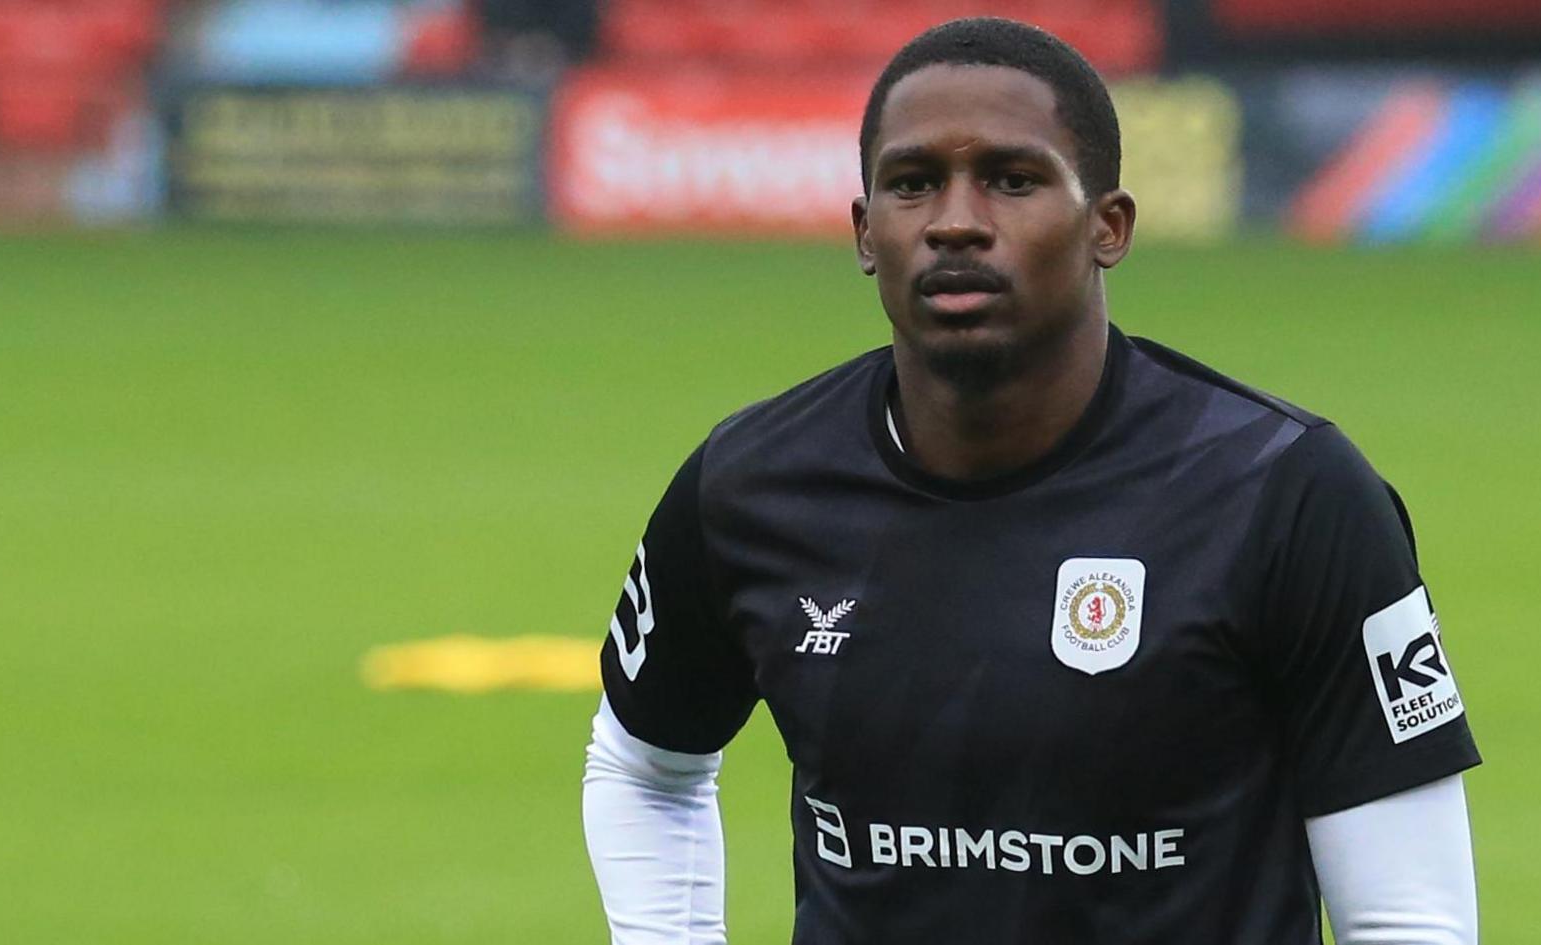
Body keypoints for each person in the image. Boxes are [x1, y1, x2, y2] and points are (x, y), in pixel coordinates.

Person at [583, 16, 1480, 945]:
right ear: (863, 231)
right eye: (912, 183)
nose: (956, 222)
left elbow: (1408, 915)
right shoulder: (751, 485)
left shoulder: (1287, 493)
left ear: (1108, 225)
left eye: (1013, 180)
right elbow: (643, 765)